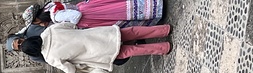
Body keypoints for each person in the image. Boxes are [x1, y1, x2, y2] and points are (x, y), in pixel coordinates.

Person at [20, 23, 172, 73]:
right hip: (98, 35)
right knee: (132, 32)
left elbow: (70, 70)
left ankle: (163, 48)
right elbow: (70, 25)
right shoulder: (49, 31)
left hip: (97, 52)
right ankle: (163, 29)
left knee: (131, 51)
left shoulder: (50, 57)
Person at [33, 1, 163, 29]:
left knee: (119, 12)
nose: (41, 24)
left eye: (38, 22)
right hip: (88, 8)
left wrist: (72, 26)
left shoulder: (55, 17)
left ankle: (154, 11)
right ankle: (153, 7)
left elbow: (76, 16)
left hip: (90, 15)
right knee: (120, 8)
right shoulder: (52, 7)